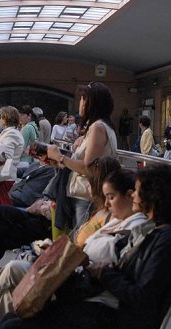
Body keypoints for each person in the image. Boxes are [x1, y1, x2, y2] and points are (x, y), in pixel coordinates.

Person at [0, 165, 171, 329]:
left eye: (138, 191)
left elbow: (141, 296)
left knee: (13, 328)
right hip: (94, 304)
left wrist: (104, 274)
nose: (133, 195)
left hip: (104, 317)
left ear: (152, 196)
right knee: (12, 317)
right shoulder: (155, 234)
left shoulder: (164, 241)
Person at [0, 156, 120, 301]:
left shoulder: (89, 205)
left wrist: (45, 210)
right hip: (46, 221)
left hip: (51, 230)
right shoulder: (78, 192)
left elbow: (71, 229)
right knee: (1, 217)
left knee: (1, 232)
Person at [47, 82, 118, 229]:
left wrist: (60, 157)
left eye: (82, 99)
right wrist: (62, 162)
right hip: (85, 195)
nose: (80, 103)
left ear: (91, 103)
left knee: (81, 243)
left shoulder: (97, 128)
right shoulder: (100, 126)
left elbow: (88, 168)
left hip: (87, 197)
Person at [0, 105, 25, 214]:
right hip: (4, 176)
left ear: (6, 119)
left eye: (1, 117)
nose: (0, 120)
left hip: (3, 177)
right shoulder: (12, 133)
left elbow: (6, 156)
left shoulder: (11, 134)